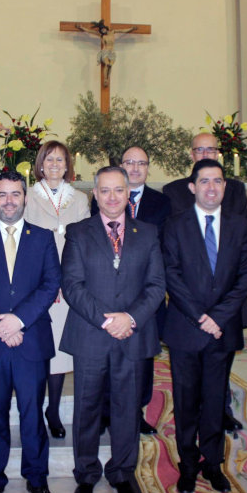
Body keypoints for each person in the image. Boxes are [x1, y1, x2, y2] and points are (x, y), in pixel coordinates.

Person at [61, 166, 166, 493]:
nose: (112, 197)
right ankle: (87, 472)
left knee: (127, 407)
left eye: (118, 190)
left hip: (133, 335)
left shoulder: (147, 233)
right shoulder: (78, 232)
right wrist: (108, 320)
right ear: (95, 194)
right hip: (92, 334)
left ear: (127, 192)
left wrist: (129, 319)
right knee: (87, 407)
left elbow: (156, 285)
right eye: (104, 190)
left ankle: (122, 471)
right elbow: (73, 285)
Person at [0, 171, 61, 493]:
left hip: (30, 340)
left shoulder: (44, 237)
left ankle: (36, 478)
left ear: (25, 198)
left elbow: (49, 285)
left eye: (15, 194)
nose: (9, 201)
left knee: (32, 416)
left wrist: (18, 321)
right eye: (2, 195)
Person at [162, 159, 247, 493]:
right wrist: (202, 317)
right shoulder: (175, 225)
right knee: (186, 403)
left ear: (224, 187)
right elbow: (171, 273)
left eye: (217, 181)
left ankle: (213, 465)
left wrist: (219, 317)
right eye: (204, 181)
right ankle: (188, 466)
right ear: (192, 187)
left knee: (215, 401)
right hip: (186, 328)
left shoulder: (239, 225)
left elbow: (245, 276)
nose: (211, 188)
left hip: (224, 330)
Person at [90, 146, 171, 435]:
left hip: (145, 295)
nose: (135, 168)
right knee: (106, 359)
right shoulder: (103, 199)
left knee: (141, 360)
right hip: (107, 298)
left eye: (141, 163)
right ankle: (104, 413)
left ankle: (136, 412)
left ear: (148, 167)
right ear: (121, 165)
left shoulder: (163, 203)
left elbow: (165, 249)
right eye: (129, 162)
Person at [23, 140, 90, 439]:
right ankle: (35, 408)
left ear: (67, 165)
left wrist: (69, 282)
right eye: (49, 159)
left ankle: (53, 408)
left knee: (61, 353)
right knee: (38, 349)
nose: (54, 164)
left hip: (68, 286)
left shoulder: (79, 199)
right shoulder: (27, 197)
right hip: (37, 285)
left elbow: (86, 245)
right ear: (40, 163)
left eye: (60, 160)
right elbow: (23, 243)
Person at [162, 132, 247, 218]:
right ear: (192, 155)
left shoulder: (236, 190)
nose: (205, 155)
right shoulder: (174, 190)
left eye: (210, 149)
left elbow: (241, 226)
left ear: (217, 154)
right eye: (199, 150)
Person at [76, 20, 138, 87]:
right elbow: (90, 31)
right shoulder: (101, 35)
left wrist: (131, 29)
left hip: (112, 52)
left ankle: (107, 79)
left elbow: (122, 31)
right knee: (107, 64)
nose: (103, 31)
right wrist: (81, 27)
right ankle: (105, 79)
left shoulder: (112, 32)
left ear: (105, 28)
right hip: (105, 51)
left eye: (103, 29)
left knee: (110, 65)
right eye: (101, 30)